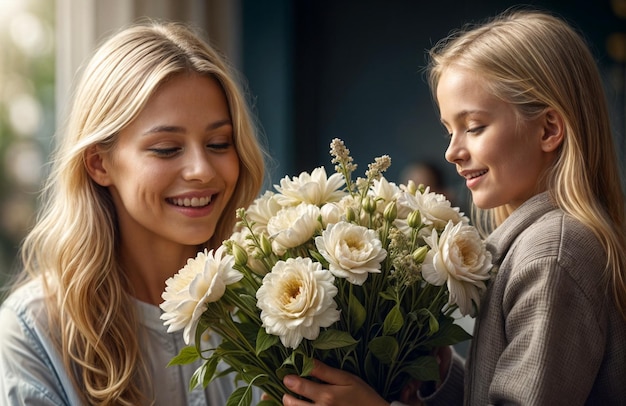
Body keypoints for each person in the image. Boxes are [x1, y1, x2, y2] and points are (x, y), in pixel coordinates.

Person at [282, 8, 626, 406]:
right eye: (449, 130)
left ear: (548, 129)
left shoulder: (552, 254)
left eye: (474, 127)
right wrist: (445, 377)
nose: (452, 152)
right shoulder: (537, 245)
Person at [0, 20, 265, 405]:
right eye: (166, 148)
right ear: (99, 163)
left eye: (219, 143)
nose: (202, 170)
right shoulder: (33, 334)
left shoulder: (273, 306)